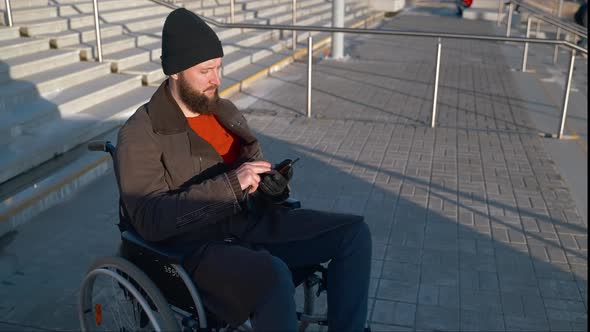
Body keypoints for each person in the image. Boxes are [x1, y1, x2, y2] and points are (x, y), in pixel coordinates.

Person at [115, 7, 371, 332]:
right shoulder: (141, 132)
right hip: (197, 247)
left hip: (255, 224)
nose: (216, 80)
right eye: (206, 71)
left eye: (219, 68)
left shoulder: (223, 110)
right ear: (175, 71)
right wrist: (231, 186)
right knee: (272, 274)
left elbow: (251, 173)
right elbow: (151, 219)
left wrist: (272, 187)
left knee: (353, 234)